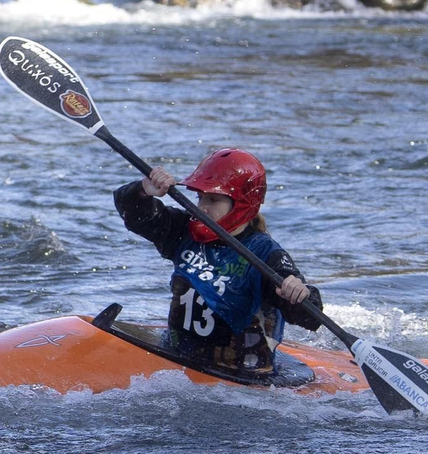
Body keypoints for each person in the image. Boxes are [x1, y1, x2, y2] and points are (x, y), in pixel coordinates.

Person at [113, 148, 322, 378]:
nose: (202, 207)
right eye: (200, 197)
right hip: (179, 358)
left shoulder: (266, 253)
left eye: (213, 199)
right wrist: (144, 190)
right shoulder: (183, 231)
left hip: (241, 376)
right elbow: (132, 213)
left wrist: (298, 292)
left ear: (242, 204)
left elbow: (310, 317)